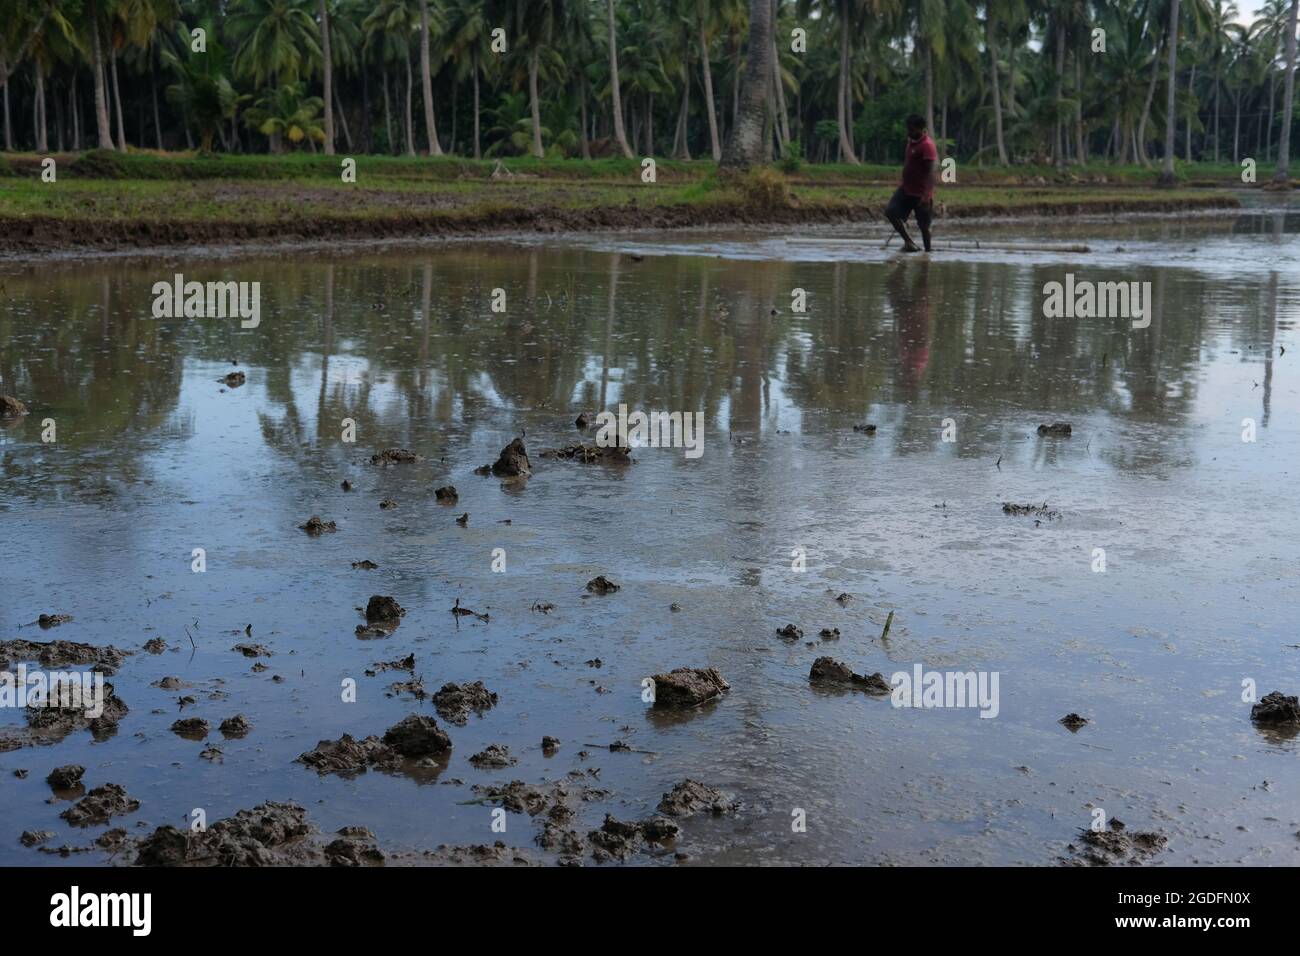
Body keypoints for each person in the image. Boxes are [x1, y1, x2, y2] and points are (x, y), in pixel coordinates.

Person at [885, 114, 937, 253]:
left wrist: (926, 196)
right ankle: (909, 242)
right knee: (890, 211)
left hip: (921, 193)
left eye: (912, 129)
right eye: (908, 129)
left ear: (921, 129)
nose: (909, 132)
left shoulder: (927, 145)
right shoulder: (911, 141)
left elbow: (931, 173)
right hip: (906, 189)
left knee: (924, 226)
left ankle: (928, 253)